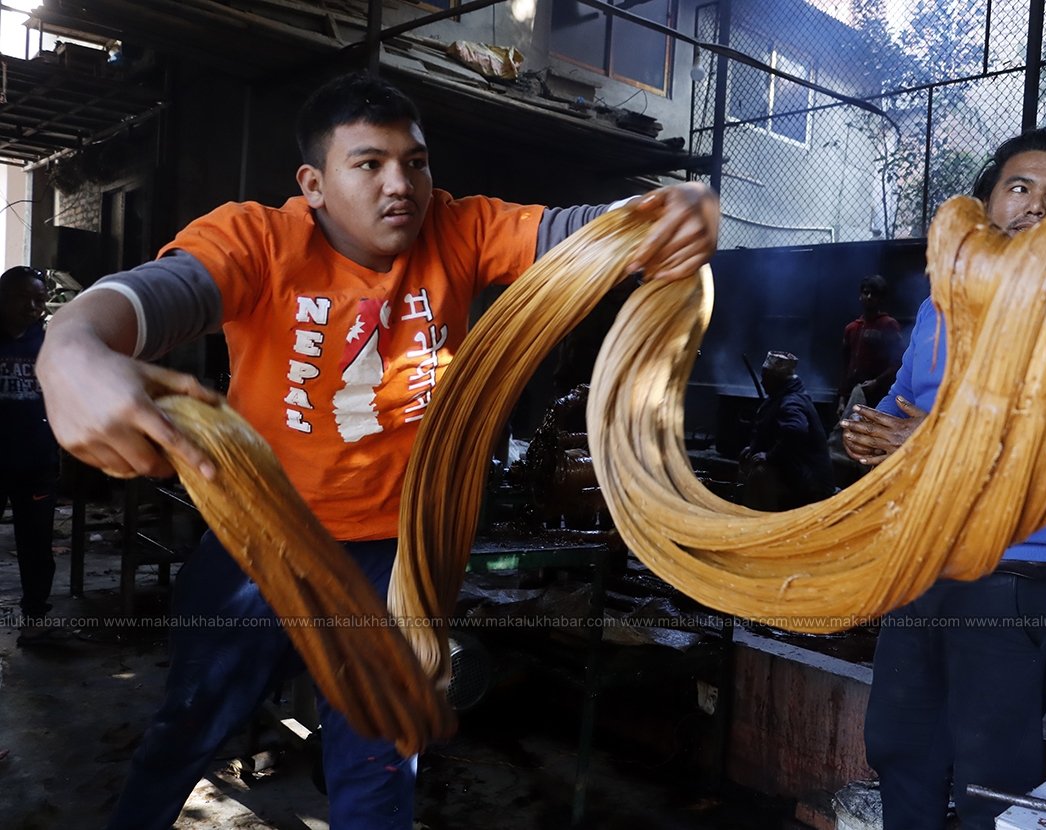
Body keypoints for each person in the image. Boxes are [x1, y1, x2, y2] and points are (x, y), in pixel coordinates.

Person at [35, 71, 719, 830]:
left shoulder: (460, 230)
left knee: (378, 764)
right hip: (260, 543)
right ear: (315, 183)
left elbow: (583, 232)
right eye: (368, 164)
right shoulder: (257, 240)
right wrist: (72, 347)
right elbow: (154, 295)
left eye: (415, 162)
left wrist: (662, 213)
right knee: (187, 729)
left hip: (395, 558)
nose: (401, 185)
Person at [841, 127, 1046, 830]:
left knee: (990, 777)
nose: (1038, 205)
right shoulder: (939, 308)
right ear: (984, 207)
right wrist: (870, 436)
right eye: (1019, 187)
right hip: (923, 563)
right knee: (899, 747)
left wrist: (938, 443)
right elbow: (903, 405)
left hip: (1020, 577)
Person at [0, 267, 65, 646]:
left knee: (36, 545)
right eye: (23, 298)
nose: (33, 306)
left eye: (40, 300)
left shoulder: (51, 341)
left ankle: (35, 619)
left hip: (37, 463)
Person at [739, 350, 836, 511]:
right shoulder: (781, 396)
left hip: (811, 480)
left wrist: (769, 456)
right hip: (798, 471)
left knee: (761, 473)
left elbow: (795, 431)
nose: (762, 382)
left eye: (765, 376)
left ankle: (761, 523)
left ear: (776, 379)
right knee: (748, 457)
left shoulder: (791, 401)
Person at [838, 274, 903, 412]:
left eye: (874, 294)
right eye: (866, 293)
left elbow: (899, 361)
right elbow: (845, 365)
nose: (869, 297)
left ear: (881, 299)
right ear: (860, 296)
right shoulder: (852, 328)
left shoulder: (888, 325)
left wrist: (877, 382)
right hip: (854, 393)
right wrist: (842, 399)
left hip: (878, 395)